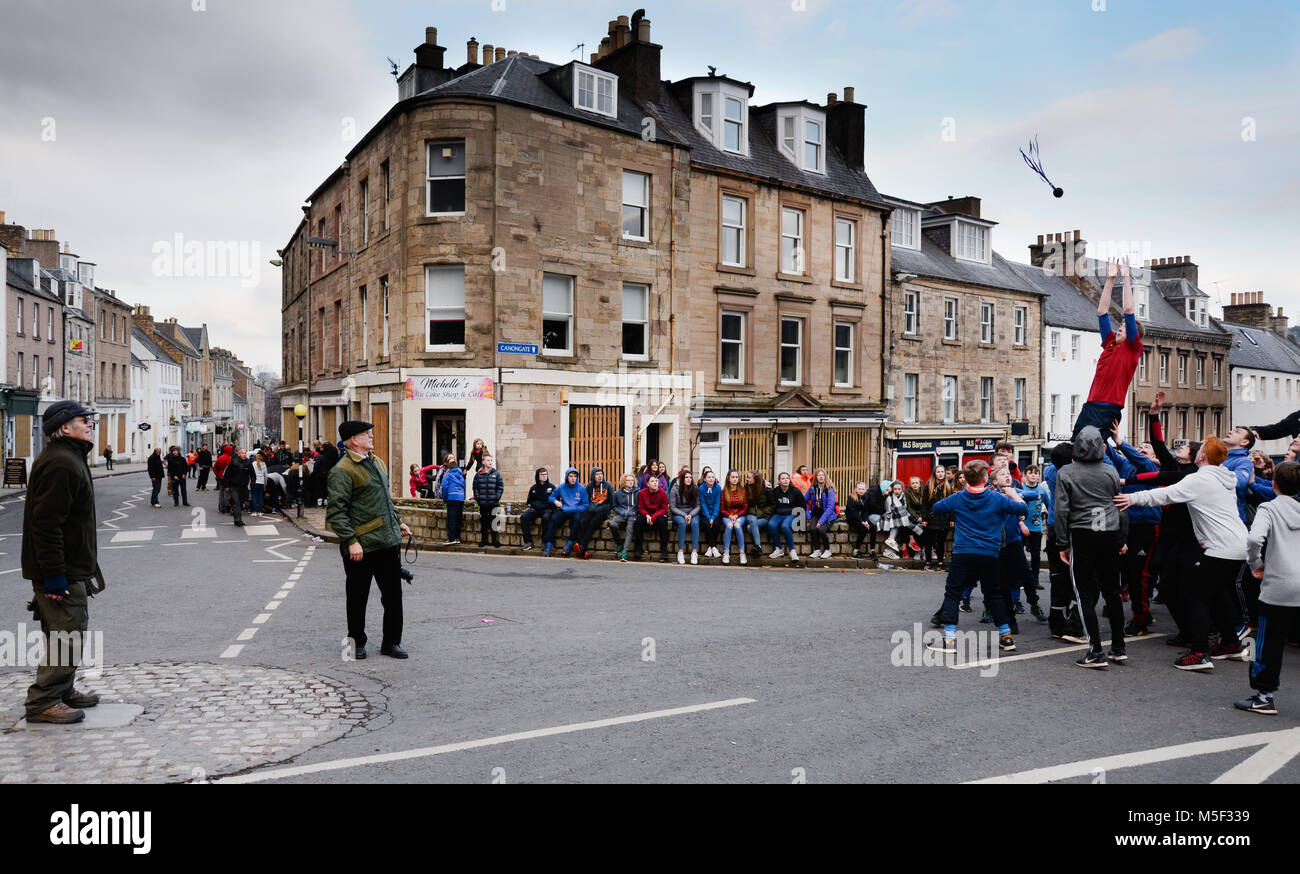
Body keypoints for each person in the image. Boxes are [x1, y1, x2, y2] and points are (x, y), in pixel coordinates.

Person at [1117, 436, 1250, 671]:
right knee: (1215, 594)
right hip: (1238, 545)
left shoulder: (1200, 480)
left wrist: (1131, 498)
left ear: (1202, 456)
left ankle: (1199, 653)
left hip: (1220, 547)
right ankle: (1230, 643)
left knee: (1197, 595)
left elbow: (1164, 494)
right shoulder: (1224, 478)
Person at [21, 401, 106, 724]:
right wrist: (55, 575)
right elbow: (47, 524)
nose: (89, 424)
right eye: (83, 420)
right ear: (65, 427)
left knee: (65, 631)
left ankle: (63, 689)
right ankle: (43, 701)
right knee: (66, 634)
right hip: (61, 571)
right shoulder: (61, 463)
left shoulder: (68, 457)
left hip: (70, 567)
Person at [327, 420, 413, 660]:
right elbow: (336, 512)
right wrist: (351, 540)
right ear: (354, 439)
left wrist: (398, 521)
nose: (372, 437)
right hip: (360, 547)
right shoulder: (342, 470)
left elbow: (385, 499)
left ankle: (391, 642)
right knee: (357, 598)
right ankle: (356, 644)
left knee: (393, 596)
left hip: (387, 542)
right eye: (367, 434)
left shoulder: (377, 462)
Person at [926, 460, 1024, 655]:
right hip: (989, 553)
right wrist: (1014, 496)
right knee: (994, 594)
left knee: (953, 594)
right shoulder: (997, 498)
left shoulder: (958, 498)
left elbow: (936, 508)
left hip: (963, 552)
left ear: (965, 480)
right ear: (986, 478)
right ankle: (1006, 637)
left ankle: (949, 639)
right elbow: (1023, 510)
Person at [1056, 426, 1129, 669]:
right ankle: (1118, 647)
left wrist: (1062, 542)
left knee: (1085, 594)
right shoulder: (1110, 471)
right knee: (1112, 592)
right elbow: (1120, 507)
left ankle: (1096, 650)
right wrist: (1121, 539)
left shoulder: (1066, 472)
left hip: (1083, 534)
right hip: (1109, 533)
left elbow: (1062, 510)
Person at [1237, 462, 1300, 714]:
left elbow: (1254, 538)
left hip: (1278, 585)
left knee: (1267, 643)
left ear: (1273, 484)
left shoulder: (1269, 507)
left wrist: (1256, 564)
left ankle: (1264, 696)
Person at [1071, 259, 1142, 441]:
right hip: (1091, 405)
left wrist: (1126, 277)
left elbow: (1128, 309)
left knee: (1096, 450)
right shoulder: (1110, 342)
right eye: (1121, 325)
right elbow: (1102, 311)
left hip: (1109, 407)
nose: (1120, 327)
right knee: (1074, 446)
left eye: (1125, 326)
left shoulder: (1133, 348)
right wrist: (1110, 279)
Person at [1103, 422, 1161, 635]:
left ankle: (1141, 618)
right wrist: (1104, 432)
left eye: (1148, 447)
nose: (1142, 448)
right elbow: (1107, 452)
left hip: (1146, 526)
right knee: (1127, 571)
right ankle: (1140, 611)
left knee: (1140, 575)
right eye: (1141, 446)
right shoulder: (1126, 464)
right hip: (1126, 525)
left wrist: (1120, 441)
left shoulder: (1152, 468)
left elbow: (1141, 461)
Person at [542, 467, 588, 557]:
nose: (573, 478)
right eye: (571, 476)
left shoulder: (582, 488)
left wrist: (575, 509)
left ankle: (569, 544)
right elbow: (551, 497)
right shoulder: (562, 487)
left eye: (575, 476)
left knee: (577, 519)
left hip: (576, 510)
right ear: (567, 477)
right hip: (564, 510)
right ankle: (549, 545)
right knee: (553, 519)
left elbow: (585, 504)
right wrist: (555, 501)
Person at [573, 466, 613, 558]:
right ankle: (583, 550)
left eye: (601, 474)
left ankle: (581, 546)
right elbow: (587, 501)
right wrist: (589, 508)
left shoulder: (608, 485)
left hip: (603, 510)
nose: (600, 476)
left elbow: (611, 502)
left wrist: (606, 509)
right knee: (583, 521)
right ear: (593, 476)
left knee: (593, 523)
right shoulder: (590, 486)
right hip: (591, 509)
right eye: (597, 474)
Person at [922, 467, 955, 570]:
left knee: (941, 541)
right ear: (934, 473)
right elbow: (925, 504)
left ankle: (940, 562)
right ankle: (928, 562)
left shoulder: (948, 487)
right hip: (931, 517)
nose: (940, 474)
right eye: (938, 472)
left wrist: (952, 519)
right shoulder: (928, 486)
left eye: (942, 472)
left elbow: (951, 505)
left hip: (944, 518)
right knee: (929, 541)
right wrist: (924, 519)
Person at [1020, 465, 1048, 586]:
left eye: (1036, 473)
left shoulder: (1042, 490)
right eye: (1030, 473)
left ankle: (1035, 579)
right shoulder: (1020, 488)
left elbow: (1049, 504)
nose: (1033, 475)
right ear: (1025, 475)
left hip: (1036, 527)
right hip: (1021, 526)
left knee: (1036, 554)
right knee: (1019, 554)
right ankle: (1021, 578)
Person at [633, 474, 670, 561]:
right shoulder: (642, 493)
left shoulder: (663, 493)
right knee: (638, 520)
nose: (655, 483)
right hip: (646, 516)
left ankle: (664, 551)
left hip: (657, 516)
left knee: (662, 520)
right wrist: (647, 515)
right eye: (652, 481)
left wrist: (653, 517)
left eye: (656, 481)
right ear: (648, 484)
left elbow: (664, 509)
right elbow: (641, 508)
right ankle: (638, 549)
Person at [472, 454, 504, 548]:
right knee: (484, 523)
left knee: (494, 523)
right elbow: (475, 487)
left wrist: (496, 497)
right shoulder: (478, 474)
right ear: (483, 462)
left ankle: (495, 541)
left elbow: (500, 487)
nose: (490, 462)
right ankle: (484, 540)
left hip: (493, 503)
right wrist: (478, 498)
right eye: (488, 460)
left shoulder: (496, 474)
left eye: (491, 460)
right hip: (483, 503)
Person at [768, 472, 803, 560]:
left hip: (791, 514)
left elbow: (802, 506)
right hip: (778, 514)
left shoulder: (795, 491)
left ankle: (792, 550)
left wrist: (801, 521)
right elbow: (772, 503)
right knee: (771, 524)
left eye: (787, 478)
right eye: (783, 478)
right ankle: (778, 549)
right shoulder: (776, 491)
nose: (785, 480)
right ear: (779, 481)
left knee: (785, 526)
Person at [805, 468, 838, 560]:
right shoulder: (812, 489)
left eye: (822, 475)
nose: (821, 477)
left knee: (821, 530)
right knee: (812, 528)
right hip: (816, 514)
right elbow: (804, 501)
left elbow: (830, 508)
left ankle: (827, 550)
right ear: (816, 477)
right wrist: (808, 515)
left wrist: (820, 522)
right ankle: (817, 550)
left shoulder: (830, 489)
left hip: (829, 516)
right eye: (819, 475)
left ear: (825, 477)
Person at [670, 469, 701, 565]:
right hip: (679, 513)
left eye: (690, 477)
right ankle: (680, 552)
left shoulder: (694, 488)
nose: (689, 479)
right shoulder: (674, 489)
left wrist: (691, 515)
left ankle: (694, 552)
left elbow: (698, 506)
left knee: (695, 523)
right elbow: (673, 507)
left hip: (692, 513)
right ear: (682, 478)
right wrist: (684, 515)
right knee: (682, 523)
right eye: (686, 477)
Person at [519, 468, 555, 550]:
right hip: (536, 509)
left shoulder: (551, 487)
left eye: (546, 474)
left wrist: (549, 507)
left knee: (546, 518)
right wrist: (535, 505)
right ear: (537, 476)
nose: (544, 476)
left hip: (547, 510)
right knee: (524, 517)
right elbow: (529, 502)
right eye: (542, 475)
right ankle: (528, 542)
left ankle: (545, 542)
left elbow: (554, 501)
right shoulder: (533, 488)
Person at [719, 469, 748, 565]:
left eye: (736, 477)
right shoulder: (724, 491)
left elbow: (745, 508)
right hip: (727, 515)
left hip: (740, 515)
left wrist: (736, 515)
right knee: (730, 525)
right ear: (728, 478)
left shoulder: (743, 491)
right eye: (732, 477)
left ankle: (742, 553)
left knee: (737, 525)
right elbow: (722, 508)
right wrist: (730, 516)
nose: (735, 479)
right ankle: (726, 552)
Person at [743, 471, 774, 559]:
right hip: (751, 513)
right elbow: (747, 504)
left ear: (755, 479)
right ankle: (758, 546)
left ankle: (756, 547)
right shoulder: (747, 487)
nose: (747, 479)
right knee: (753, 521)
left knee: (750, 528)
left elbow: (772, 505)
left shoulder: (767, 488)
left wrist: (760, 513)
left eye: (749, 477)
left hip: (765, 515)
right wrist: (755, 512)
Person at [610, 474, 640, 561]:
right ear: (624, 482)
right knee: (613, 524)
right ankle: (619, 543)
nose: (631, 482)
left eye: (632, 480)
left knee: (629, 529)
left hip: (633, 514)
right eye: (628, 480)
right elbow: (614, 506)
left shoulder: (638, 492)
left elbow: (639, 506)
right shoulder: (618, 493)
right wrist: (621, 511)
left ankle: (624, 553)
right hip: (621, 514)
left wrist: (634, 512)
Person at [439, 454, 466, 545]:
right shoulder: (460, 474)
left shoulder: (448, 474)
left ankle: (451, 538)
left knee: (451, 519)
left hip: (452, 497)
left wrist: (445, 499)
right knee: (458, 519)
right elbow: (463, 486)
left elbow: (445, 487)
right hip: (460, 498)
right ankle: (457, 538)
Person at [881, 481, 911, 560]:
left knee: (905, 524)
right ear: (892, 490)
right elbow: (888, 511)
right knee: (898, 523)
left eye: (899, 489)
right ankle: (890, 546)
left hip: (902, 517)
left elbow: (905, 508)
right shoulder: (889, 498)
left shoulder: (904, 497)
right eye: (895, 489)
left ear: (902, 489)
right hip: (891, 517)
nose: (897, 491)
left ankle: (894, 547)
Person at [224, 448, 253, 527]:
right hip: (234, 486)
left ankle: (237, 519)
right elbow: (227, 474)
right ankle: (238, 520)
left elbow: (253, 475)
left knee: (240, 503)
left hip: (243, 487)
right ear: (239, 454)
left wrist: (252, 483)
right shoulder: (233, 462)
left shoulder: (248, 463)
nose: (244, 455)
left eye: (245, 453)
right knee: (236, 502)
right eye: (242, 453)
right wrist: (226, 485)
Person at [845, 482, 874, 559]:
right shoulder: (851, 498)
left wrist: (866, 521)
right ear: (856, 490)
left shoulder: (866, 497)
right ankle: (855, 552)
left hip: (861, 519)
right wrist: (862, 522)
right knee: (864, 529)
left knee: (873, 527)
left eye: (863, 489)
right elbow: (853, 513)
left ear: (865, 490)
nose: (861, 490)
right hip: (852, 518)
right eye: (859, 489)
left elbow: (865, 511)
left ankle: (872, 551)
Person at [699, 469, 722, 558]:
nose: (711, 479)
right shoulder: (701, 488)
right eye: (709, 477)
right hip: (705, 513)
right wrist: (708, 518)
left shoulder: (718, 488)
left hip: (715, 513)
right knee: (706, 524)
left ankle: (710, 547)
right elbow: (703, 504)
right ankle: (714, 547)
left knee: (716, 524)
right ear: (704, 479)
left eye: (713, 477)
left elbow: (717, 504)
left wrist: (713, 517)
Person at [250, 451, 268, 517]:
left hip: (254, 482)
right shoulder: (264, 464)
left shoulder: (253, 464)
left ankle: (254, 511)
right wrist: (265, 483)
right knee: (260, 497)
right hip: (261, 482)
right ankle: (260, 511)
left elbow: (251, 474)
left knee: (254, 497)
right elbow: (266, 475)